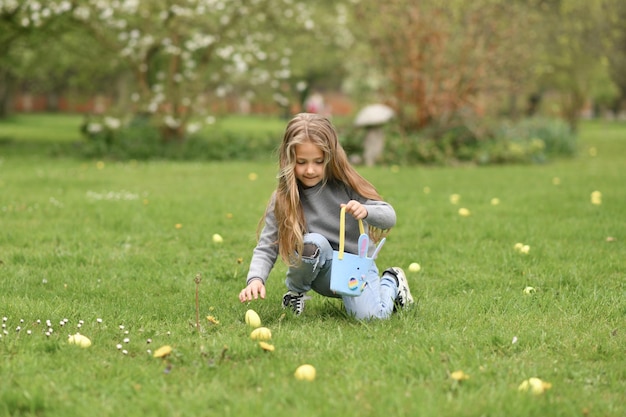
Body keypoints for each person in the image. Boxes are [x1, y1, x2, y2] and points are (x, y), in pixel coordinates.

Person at [238, 113, 413, 320]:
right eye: (301, 162)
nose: (310, 170)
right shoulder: (283, 198)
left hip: (354, 268)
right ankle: (295, 294)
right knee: (313, 243)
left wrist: (367, 211)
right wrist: (255, 279)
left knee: (372, 317)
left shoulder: (346, 185)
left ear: (330, 158)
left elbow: (389, 216)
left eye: (318, 162)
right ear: (289, 159)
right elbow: (267, 245)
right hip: (320, 272)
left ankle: (392, 280)